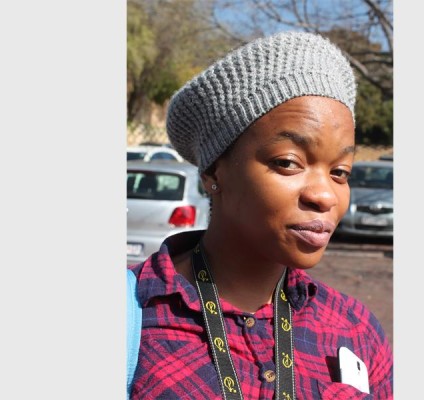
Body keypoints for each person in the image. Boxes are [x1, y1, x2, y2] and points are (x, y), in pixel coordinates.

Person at [127, 30, 393, 399]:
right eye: (288, 163)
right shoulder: (134, 318)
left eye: (340, 172)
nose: (324, 195)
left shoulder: (355, 330)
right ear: (214, 172)